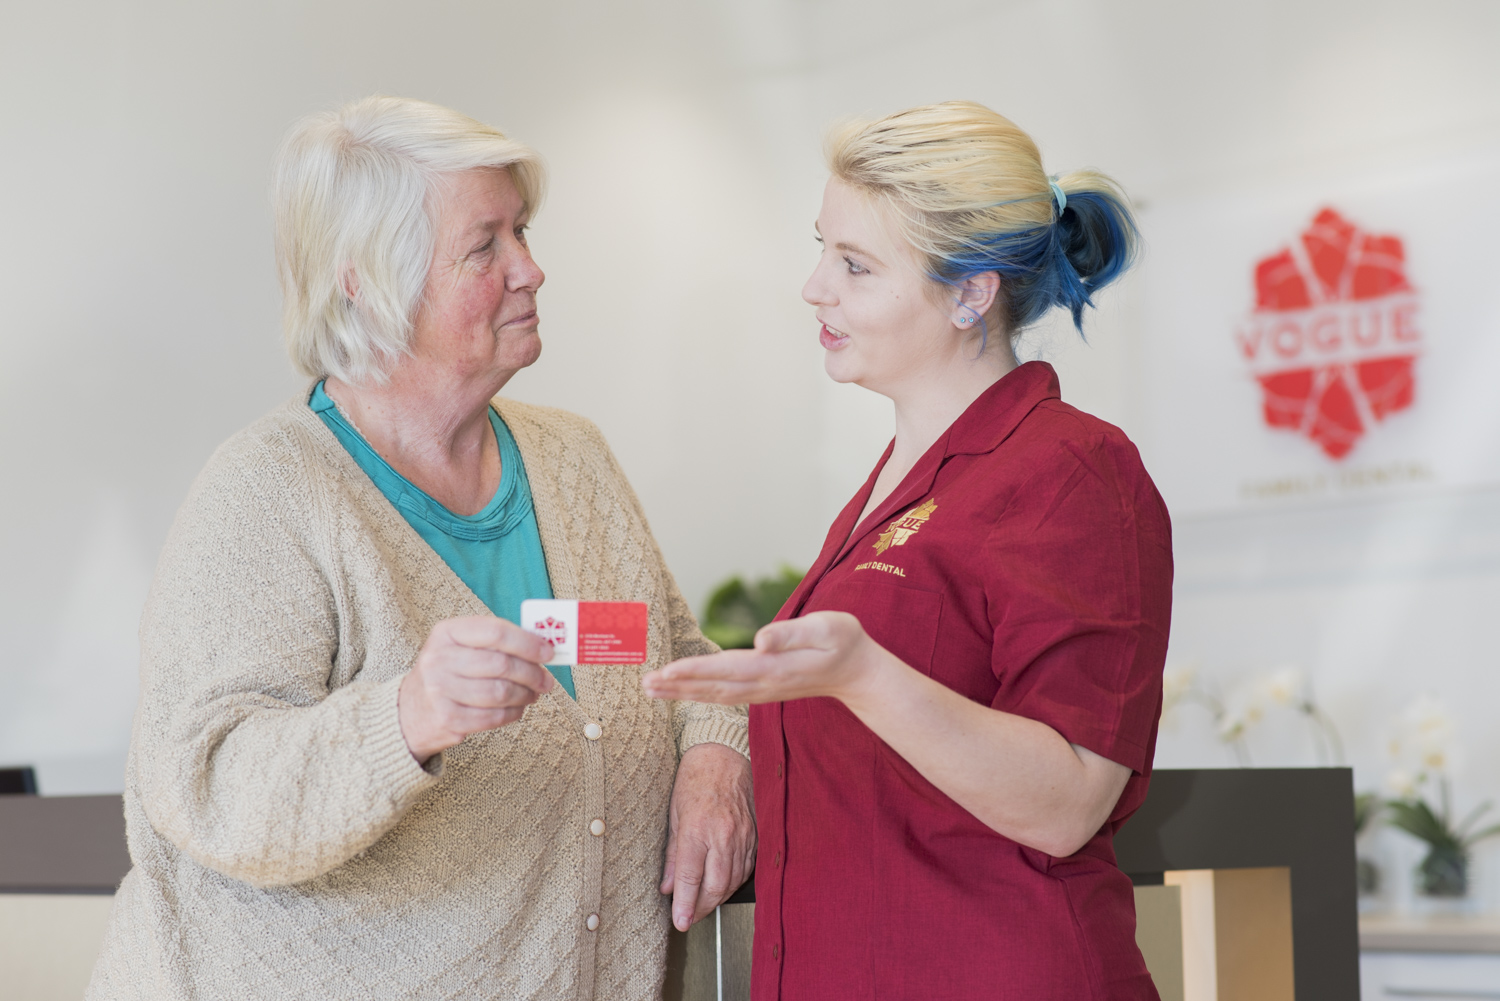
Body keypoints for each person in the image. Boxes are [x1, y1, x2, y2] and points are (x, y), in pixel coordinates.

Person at [87, 96, 754, 1001]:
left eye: (522, 231)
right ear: (365, 284)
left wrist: (716, 754)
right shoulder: (268, 491)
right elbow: (206, 784)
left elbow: (677, 662)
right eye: (484, 247)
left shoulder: (573, 459)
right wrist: (405, 717)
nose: (531, 269)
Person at [643, 101, 1172, 1001]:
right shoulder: (895, 485)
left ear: (972, 294)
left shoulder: (1074, 467)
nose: (815, 287)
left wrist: (866, 676)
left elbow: (1068, 802)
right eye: (823, 249)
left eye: (855, 265)